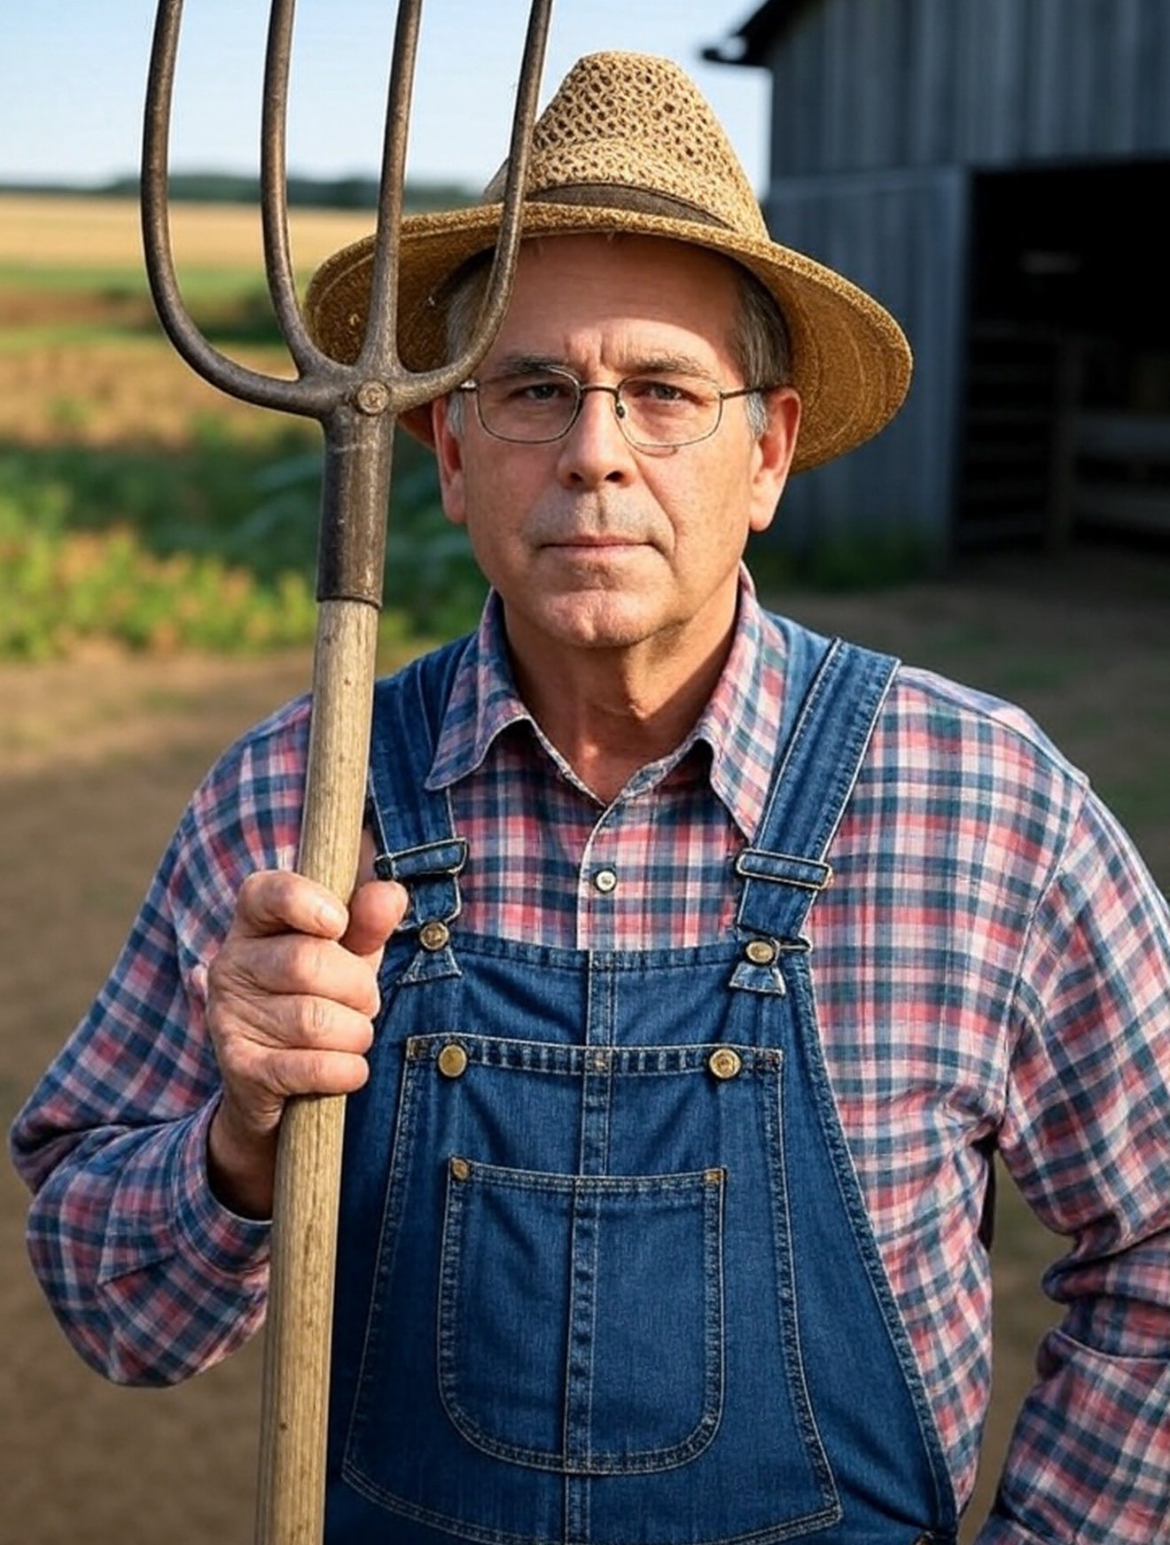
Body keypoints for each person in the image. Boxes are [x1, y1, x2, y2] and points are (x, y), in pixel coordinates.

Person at [11, 49, 1170, 1545]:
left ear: (768, 452)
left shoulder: (985, 808)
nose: (593, 455)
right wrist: (237, 1141)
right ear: (446, 449)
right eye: (532, 391)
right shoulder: (298, 805)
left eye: (663, 393)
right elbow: (108, 1303)